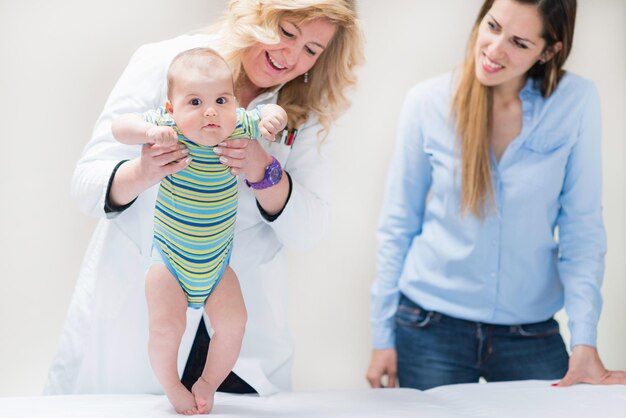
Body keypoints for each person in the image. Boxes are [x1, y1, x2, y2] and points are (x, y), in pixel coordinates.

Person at [45, 0, 364, 399]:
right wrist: (144, 172)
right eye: (287, 33)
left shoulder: (302, 114)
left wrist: (263, 171)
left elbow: (310, 232)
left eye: (312, 51)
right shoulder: (166, 62)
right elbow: (86, 185)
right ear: (259, 11)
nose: (291, 56)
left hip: (241, 344)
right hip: (139, 310)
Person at [367, 0, 626, 390]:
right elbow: (397, 224)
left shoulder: (576, 102)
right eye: (492, 26)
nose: (494, 49)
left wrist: (584, 339)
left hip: (530, 335)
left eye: (520, 43)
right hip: (429, 329)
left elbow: (582, 228)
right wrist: (382, 337)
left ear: (549, 51)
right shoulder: (428, 102)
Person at [111, 47, 287, 414]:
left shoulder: (238, 125)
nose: (210, 111)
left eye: (221, 100)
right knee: (165, 329)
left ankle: (208, 381)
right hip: (170, 263)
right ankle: (172, 386)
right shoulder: (170, 129)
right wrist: (148, 131)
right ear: (172, 109)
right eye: (195, 101)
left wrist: (274, 117)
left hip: (217, 266)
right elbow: (119, 128)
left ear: (235, 104)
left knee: (235, 324)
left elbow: (271, 111)